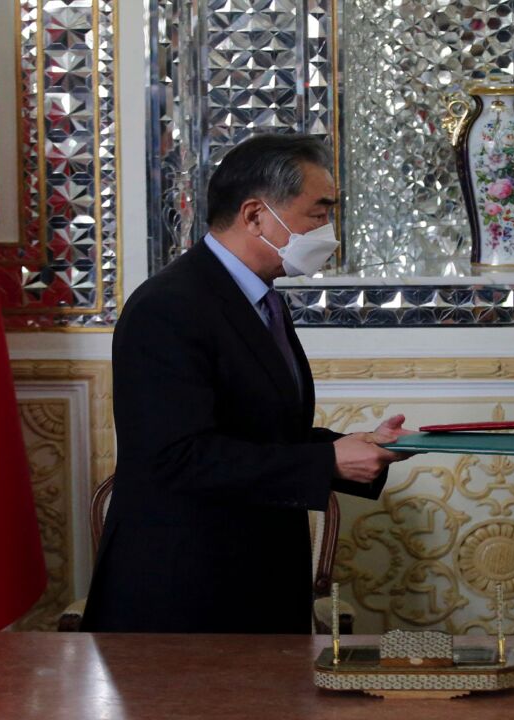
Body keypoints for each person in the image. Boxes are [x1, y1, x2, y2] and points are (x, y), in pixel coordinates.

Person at [81, 133, 408, 633]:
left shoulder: (262, 299)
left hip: (256, 580)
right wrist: (325, 460)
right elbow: (176, 457)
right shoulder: (169, 306)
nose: (327, 230)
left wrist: (351, 447)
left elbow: (257, 434)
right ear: (255, 216)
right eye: (317, 214)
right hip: (183, 596)